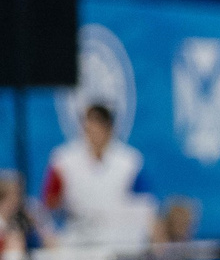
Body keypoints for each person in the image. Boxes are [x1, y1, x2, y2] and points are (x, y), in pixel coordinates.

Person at [42, 103, 155, 250]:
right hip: (78, 237)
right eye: (89, 127)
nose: (94, 133)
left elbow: (145, 205)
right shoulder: (63, 161)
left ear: (109, 129)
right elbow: (49, 204)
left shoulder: (130, 161)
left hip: (120, 238)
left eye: (99, 127)